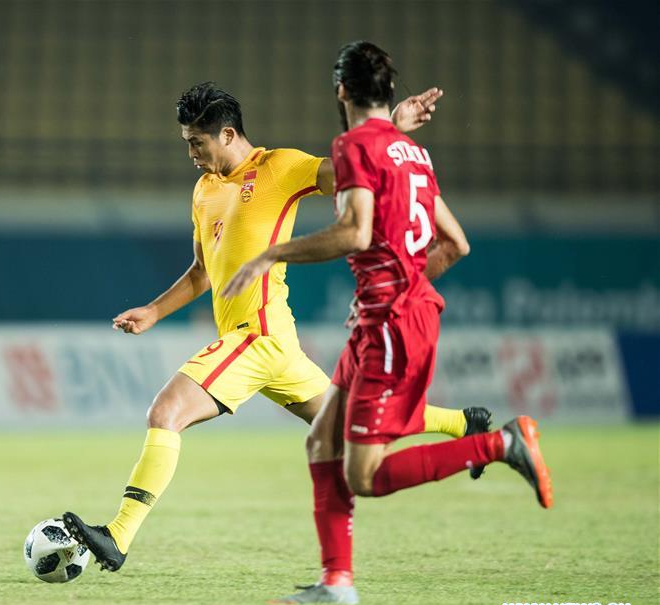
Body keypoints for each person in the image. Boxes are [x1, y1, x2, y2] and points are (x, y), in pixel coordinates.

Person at [63, 82, 491, 572]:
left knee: (165, 413)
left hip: (256, 337)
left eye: (196, 143)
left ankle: (117, 535)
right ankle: (465, 425)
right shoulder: (204, 190)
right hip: (278, 347)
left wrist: (389, 128)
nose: (190, 154)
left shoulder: (279, 168)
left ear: (227, 134)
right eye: (185, 142)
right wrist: (156, 311)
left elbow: (349, 171)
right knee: (355, 424)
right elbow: (203, 271)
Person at [223, 42, 553, 605]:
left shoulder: (352, 145)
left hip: (391, 328)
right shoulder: (413, 154)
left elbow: (354, 231)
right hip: (383, 319)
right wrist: (404, 285)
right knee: (320, 441)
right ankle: (337, 583)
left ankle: (499, 445)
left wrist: (272, 253)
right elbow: (457, 243)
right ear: (390, 94)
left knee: (365, 476)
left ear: (342, 92)